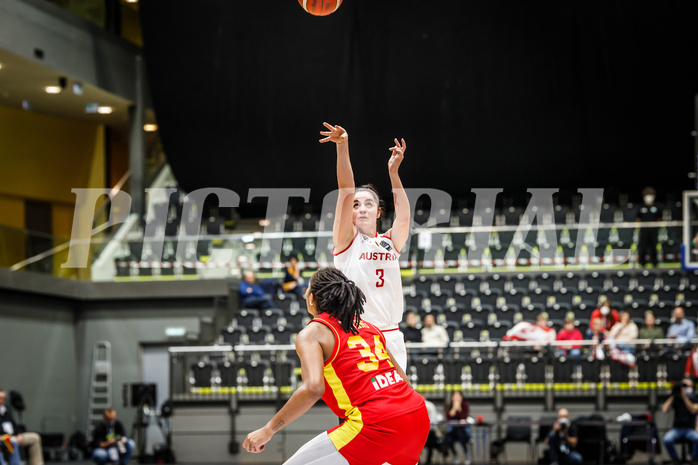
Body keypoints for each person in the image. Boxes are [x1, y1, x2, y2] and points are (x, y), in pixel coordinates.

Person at [243, 268, 429, 465]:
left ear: (312, 298)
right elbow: (404, 381)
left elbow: (313, 389)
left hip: (376, 423)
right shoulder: (368, 327)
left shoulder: (313, 332)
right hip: (417, 416)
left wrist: (268, 430)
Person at [322, 122, 411, 371]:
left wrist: (394, 174)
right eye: (356, 204)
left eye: (368, 204)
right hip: (358, 335)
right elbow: (346, 190)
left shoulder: (389, 242)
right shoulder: (346, 242)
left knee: (396, 407)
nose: (361, 208)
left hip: (391, 335)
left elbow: (404, 218)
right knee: (365, 408)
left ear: (379, 212)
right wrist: (342, 146)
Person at [0, 389, 43, 465]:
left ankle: (37, 463)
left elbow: (14, 425)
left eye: (3, 398)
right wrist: (9, 435)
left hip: (14, 435)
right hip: (3, 436)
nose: (2, 400)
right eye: (0, 398)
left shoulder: (6, 410)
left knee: (35, 438)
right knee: (12, 440)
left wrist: (19, 434)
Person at [662, 378, 698, 463]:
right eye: (683, 386)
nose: (685, 388)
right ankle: (675, 459)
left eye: (687, 386)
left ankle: (694, 459)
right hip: (677, 429)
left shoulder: (694, 399)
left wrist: (685, 397)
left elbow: (693, 409)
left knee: (697, 439)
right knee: (667, 439)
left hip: (690, 429)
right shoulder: (676, 399)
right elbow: (664, 409)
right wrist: (673, 395)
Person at [636, 186, 661, 268]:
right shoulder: (641, 207)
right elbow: (638, 219)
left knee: (654, 247)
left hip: (654, 231)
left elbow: (659, 219)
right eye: (647, 195)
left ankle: (655, 263)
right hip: (644, 231)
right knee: (643, 247)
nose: (649, 197)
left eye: (650, 194)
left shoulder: (657, 207)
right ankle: (642, 263)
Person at [444, 391, 471, 465]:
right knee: (448, 439)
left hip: (462, 429)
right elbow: (448, 418)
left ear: (461, 397)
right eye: (454, 396)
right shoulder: (449, 405)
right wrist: (453, 408)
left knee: (461, 435)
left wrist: (459, 408)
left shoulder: (465, 405)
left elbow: (464, 416)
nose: (456, 398)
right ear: (452, 398)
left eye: (458, 396)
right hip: (452, 429)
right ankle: (455, 455)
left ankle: (466, 454)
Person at [423, 395, 447, 465]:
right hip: (420, 434)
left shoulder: (429, 406)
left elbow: (433, 422)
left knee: (431, 438)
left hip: (430, 433)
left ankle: (429, 460)